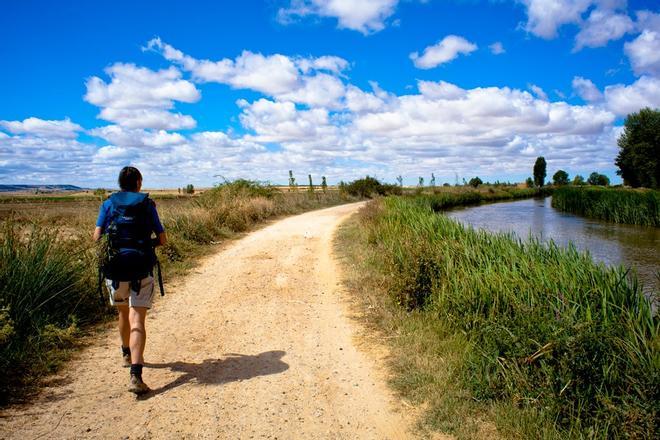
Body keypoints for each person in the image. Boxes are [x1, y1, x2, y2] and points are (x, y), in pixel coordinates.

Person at [93, 166, 167, 394]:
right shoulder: (147, 204)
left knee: (123, 312)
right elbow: (163, 239)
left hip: (115, 270)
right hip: (141, 269)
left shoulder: (108, 203)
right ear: (138, 182)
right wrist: (144, 245)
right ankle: (136, 374)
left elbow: (96, 237)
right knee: (138, 320)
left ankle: (126, 353)